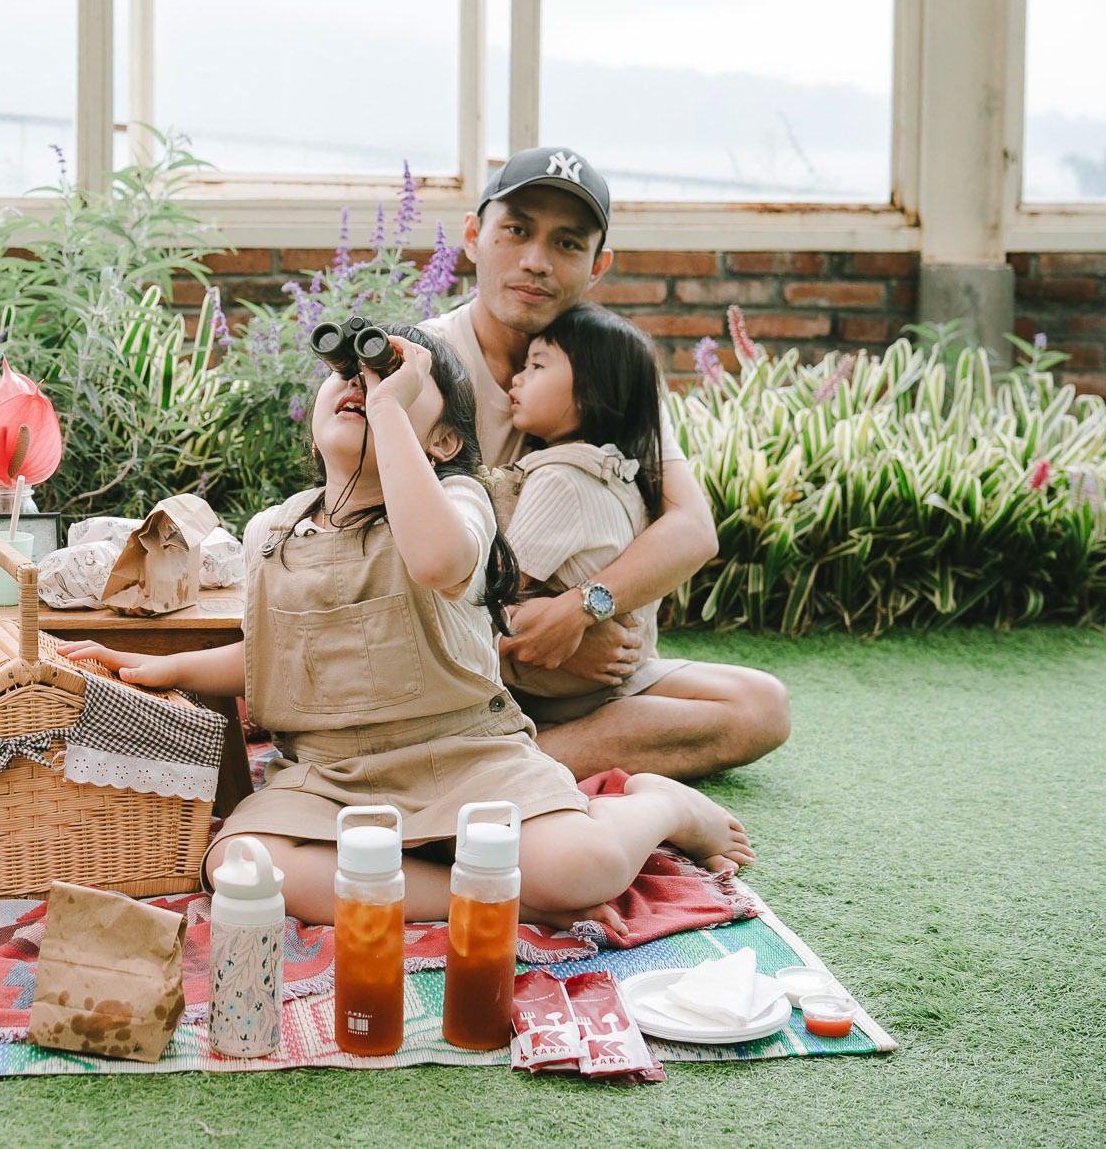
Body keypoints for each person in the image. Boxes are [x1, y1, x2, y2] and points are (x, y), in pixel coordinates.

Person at [59, 330, 751, 929]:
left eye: (390, 379)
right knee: (242, 865)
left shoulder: (457, 503)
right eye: (348, 375)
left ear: (443, 440)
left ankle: (659, 806)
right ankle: (487, 898)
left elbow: (436, 562)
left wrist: (388, 408)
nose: (362, 386)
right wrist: (167, 667)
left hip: (466, 759)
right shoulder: (273, 531)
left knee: (582, 866)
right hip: (331, 774)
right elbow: (276, 654)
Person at [421, 147, 790, 780]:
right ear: (474, 236)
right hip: (460, 656)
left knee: (761, 708)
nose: (537, 261)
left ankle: (496, 767)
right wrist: (517, 638)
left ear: (598, 266)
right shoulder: (426, 363)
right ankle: (496, 762)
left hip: (588, 665)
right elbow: (381, 555)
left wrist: (579, 610)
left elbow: (692, 528)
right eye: (517, 231)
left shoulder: (605, 367)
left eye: (567, 243)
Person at [495, 303, 696, 725]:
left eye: (537, 366)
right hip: (613, 680)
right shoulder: (620, 474)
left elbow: (497, 589)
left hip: (554, 680)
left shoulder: (560, 480)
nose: (517, 377)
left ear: (591, 391)